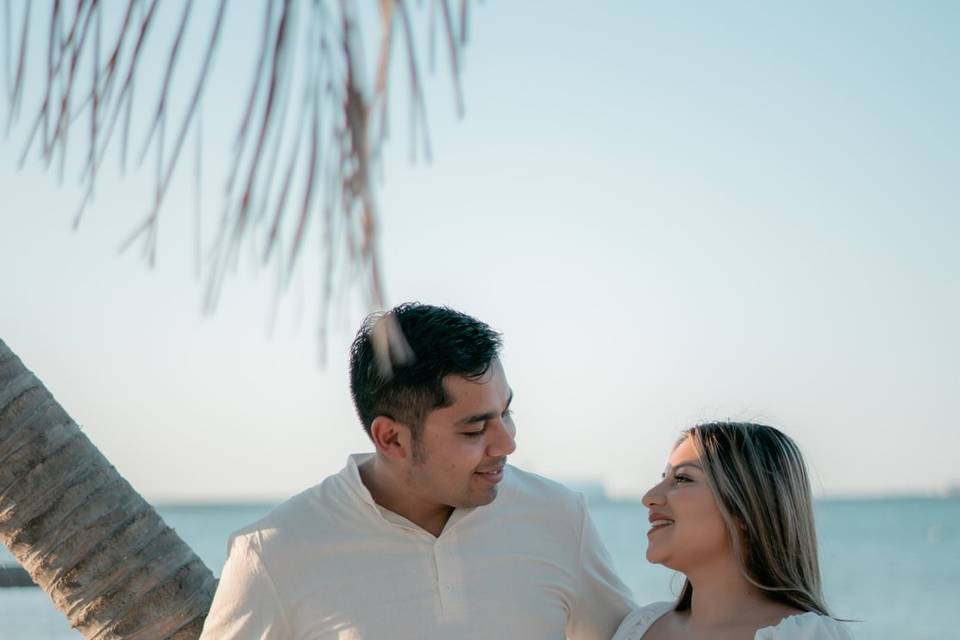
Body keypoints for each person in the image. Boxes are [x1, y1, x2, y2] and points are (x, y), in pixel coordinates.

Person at [200, 303, 634, 639]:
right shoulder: (271, 554)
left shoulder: (561, 518)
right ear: (391, 439)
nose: (507, 443)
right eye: (475, 428)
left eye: (506, 412)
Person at [613, 422, 855, 640]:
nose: (649, 498)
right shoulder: (640, 627)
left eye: (682, 478)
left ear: (746, 507)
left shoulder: (807, 636)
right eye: (664, 477)